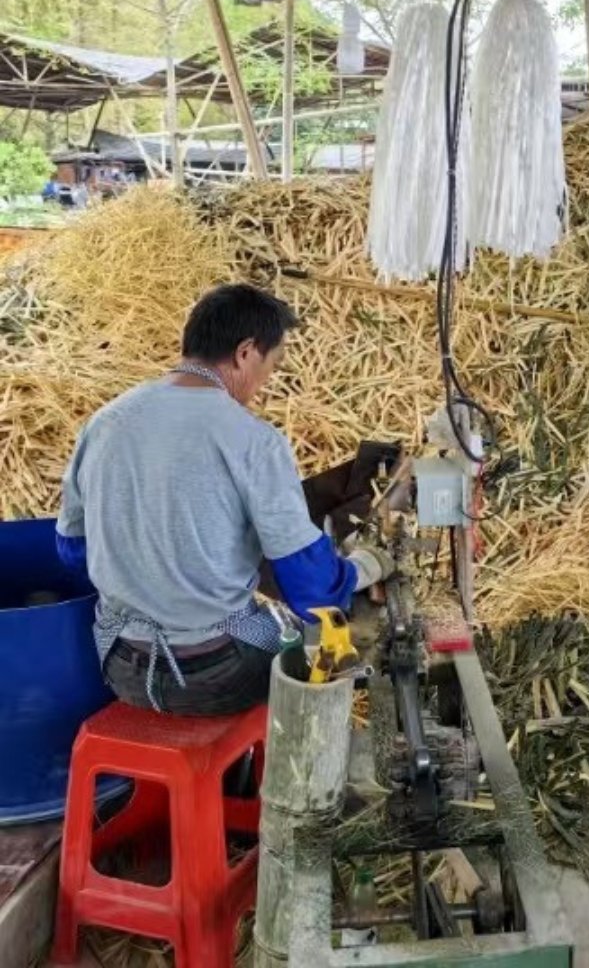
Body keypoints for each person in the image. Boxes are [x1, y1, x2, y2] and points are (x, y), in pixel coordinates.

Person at [56, 283, 392, 715]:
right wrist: (363, 568)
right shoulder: (252, 440)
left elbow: (72, 550)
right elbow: (311, 591)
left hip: (121, 665)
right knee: (319, 647)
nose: (264, 382)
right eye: (272, 364)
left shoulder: (105, 422)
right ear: (245, 352)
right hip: (214, 673)